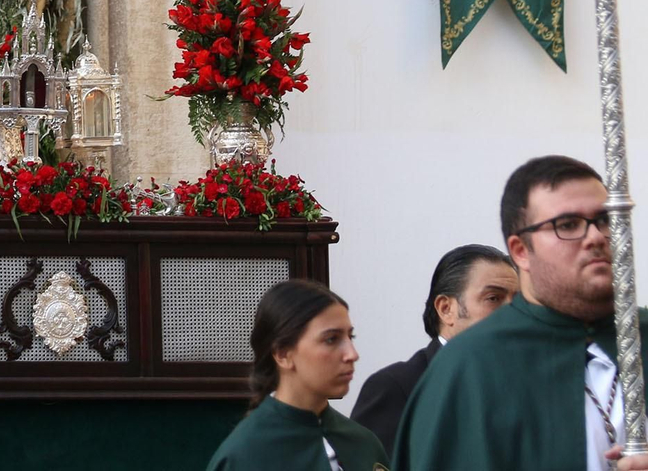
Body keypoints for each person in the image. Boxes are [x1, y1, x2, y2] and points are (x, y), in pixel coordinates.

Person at [394, 155, 648, 470]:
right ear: (521, 251)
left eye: (605, 220)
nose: (596, 237)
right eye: (568, 224)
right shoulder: (471, 367)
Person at [350, 243, 517, 458]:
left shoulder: (525, 382)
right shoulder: (398, 386)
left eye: (518, 301)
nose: (512, 312)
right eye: (493, 298)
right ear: (446, 309)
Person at [206, 279, 388, 471]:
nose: (352, 354)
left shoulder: (363, 443)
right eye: (331, 339)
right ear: (283, 354)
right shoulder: (244, 456)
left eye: (351, 337)